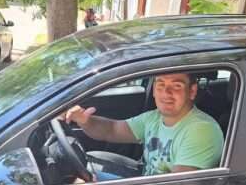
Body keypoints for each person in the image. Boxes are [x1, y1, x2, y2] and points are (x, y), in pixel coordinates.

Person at [64, 72, 225, 176]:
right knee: (90, 164)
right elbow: (111, 130)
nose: (166, 92)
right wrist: (85, 121)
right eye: (161, 84)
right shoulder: (153, 118)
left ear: (192, 91)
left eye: (176, 86)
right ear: (154, 89)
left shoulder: (201, 130)